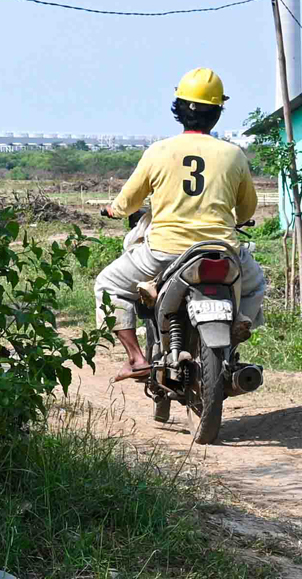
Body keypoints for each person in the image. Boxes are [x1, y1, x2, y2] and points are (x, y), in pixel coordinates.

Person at [93, 68, 267, 381]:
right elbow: (246, 208)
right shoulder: (234, 155)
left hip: (163, 253)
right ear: (216, 113)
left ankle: (135, 358)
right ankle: (239, 320)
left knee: (108, 285)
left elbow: (129, 202)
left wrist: (113, 211)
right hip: (222, 252)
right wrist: (238, 219)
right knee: (255, 283)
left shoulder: (158, 151)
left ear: (179, 110)